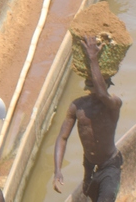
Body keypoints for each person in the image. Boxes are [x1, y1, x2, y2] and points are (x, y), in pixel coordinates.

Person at [53, 36, 123, 202]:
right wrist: (57, 170)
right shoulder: (77, 106)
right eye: (90, 82)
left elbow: (101, 93)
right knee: (90, 194)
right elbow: (62, 138)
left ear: (106, 85)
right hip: (89, 165)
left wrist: (92, 57)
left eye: (97, 83)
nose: (94, 87)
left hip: (110, 165)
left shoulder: (113, 103)